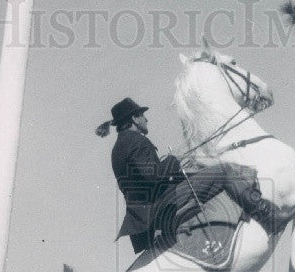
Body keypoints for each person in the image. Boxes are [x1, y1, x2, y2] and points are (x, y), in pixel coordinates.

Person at [97, 97, 283, 255]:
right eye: (143, 115)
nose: (147, 120)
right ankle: (268, 216)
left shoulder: (120, 147)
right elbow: (153, 176)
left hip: (144, 215)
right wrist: (174, 159)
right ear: (135, 118)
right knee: (224, 171)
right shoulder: (136, 141)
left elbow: (146, 178)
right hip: (160, 206)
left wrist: (178, 167)